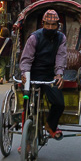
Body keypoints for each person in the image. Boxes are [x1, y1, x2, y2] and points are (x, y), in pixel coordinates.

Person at [19, 10, 67, 140]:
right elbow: (26, 59)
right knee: (27, 105)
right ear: (42, 24)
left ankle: (51, 126)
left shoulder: (61, 38)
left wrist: (59, 74)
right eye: (47, 24)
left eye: (53, 25)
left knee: (59, 103)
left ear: (58, 25)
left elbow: (61, 56)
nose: (50, 27)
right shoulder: (34, 38)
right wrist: (25, 74)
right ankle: (26, 140)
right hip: (32, 74)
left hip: (49, 75)